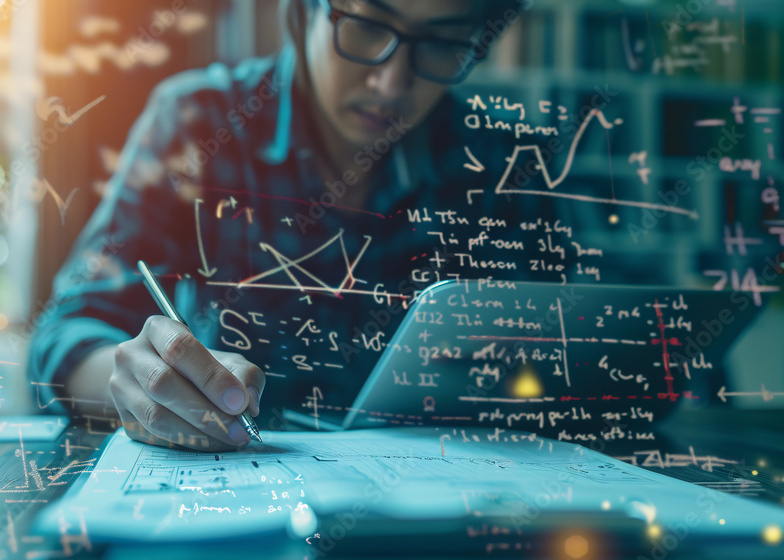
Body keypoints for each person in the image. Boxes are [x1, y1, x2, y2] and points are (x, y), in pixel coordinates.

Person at [29, 0, 535, 451]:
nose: (391, 83)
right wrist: (144, 387)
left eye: (443, 42)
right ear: (301, 9)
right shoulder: (198, 123)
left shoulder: (498, 165)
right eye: (366, 25)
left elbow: (549, 360)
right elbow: (63, 332)